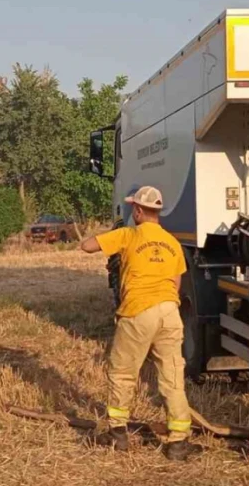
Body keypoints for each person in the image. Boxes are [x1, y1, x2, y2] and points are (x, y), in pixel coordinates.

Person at [80, 186, 198, 461]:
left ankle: (117, 432)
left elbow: (86, 246)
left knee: (123, 373)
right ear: (159, 211)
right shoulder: (173, 243)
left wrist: (101, 235)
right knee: (172, 379)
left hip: (138, 312)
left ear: (138, 210)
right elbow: (177, 284)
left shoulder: (129, 234)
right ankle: (178, 442)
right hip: (170, 312)